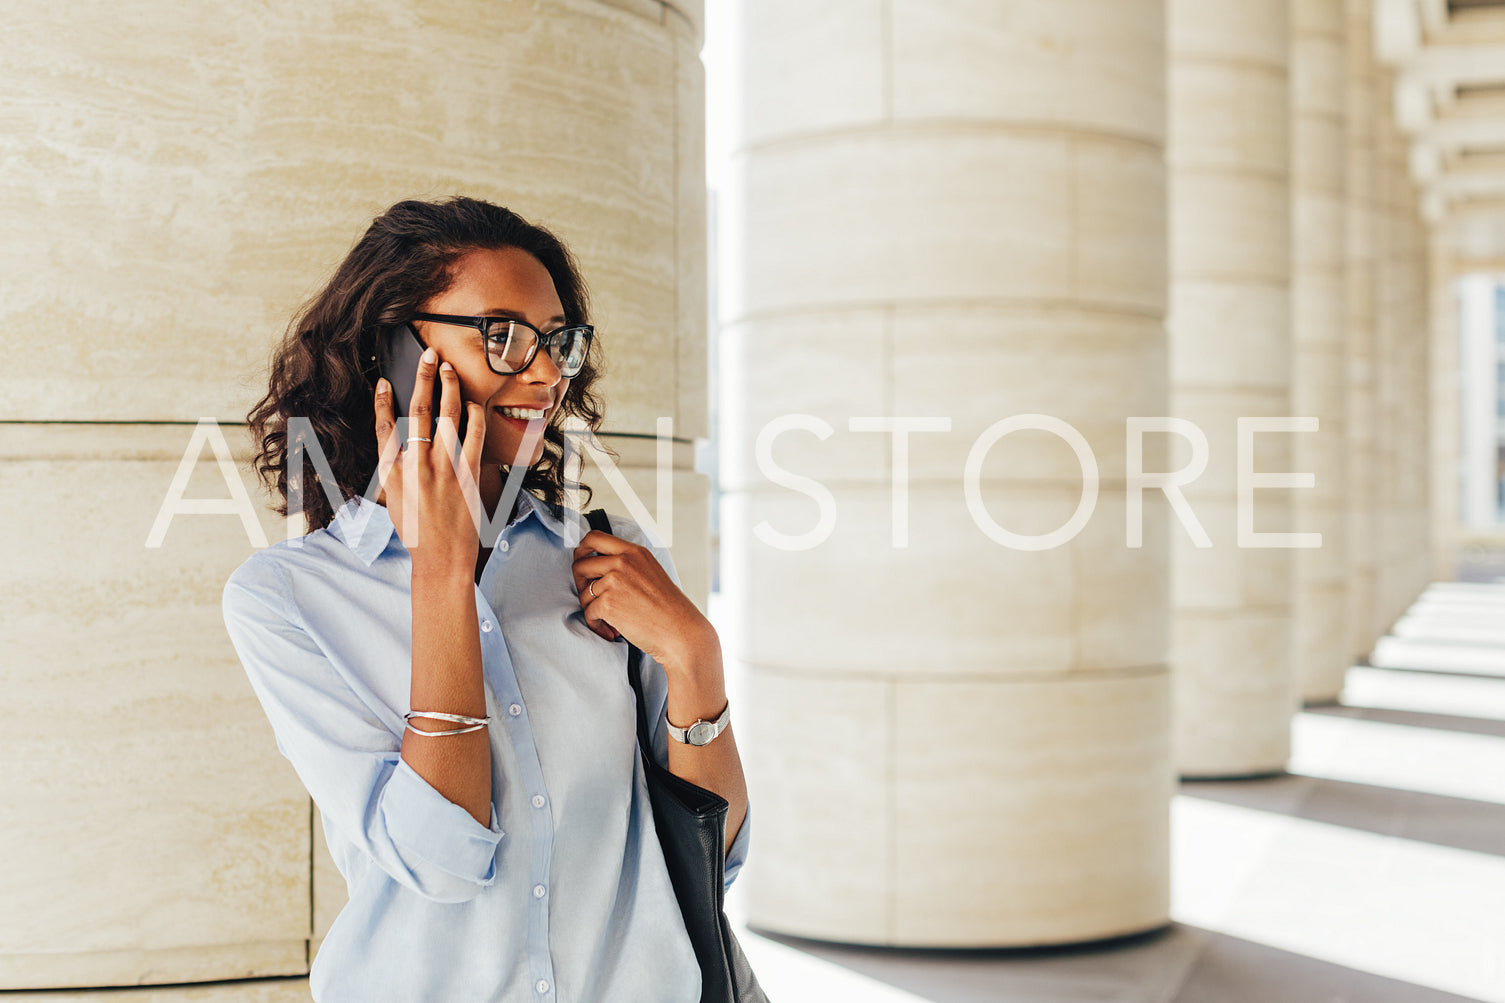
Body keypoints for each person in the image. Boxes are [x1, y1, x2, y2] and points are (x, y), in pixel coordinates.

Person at [221, 196, 750, 1002]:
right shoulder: (287, 599)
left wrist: (694, 657)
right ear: (394, 348)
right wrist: (441, 571)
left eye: (558, 342)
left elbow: (719, 856)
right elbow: (440, 857)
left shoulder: (615, 562)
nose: (544, 373)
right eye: (502, 336)